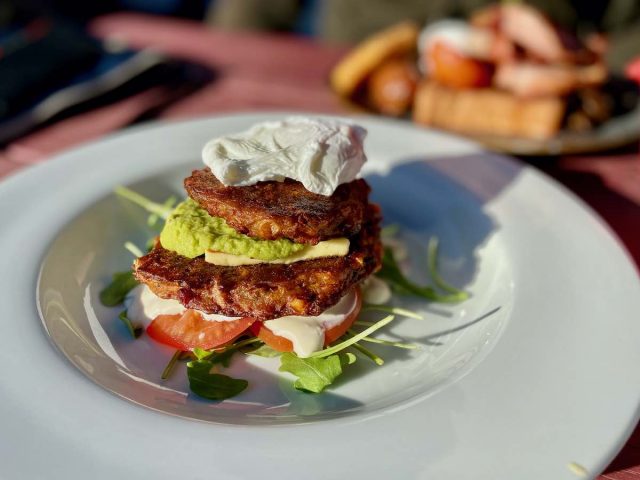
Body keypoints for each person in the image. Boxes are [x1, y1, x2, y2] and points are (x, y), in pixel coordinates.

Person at [206, 0, 640, 74]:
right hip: (351, 70)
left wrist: (605, 61)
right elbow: (247, 17)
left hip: (531, 83)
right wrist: (232, 60)